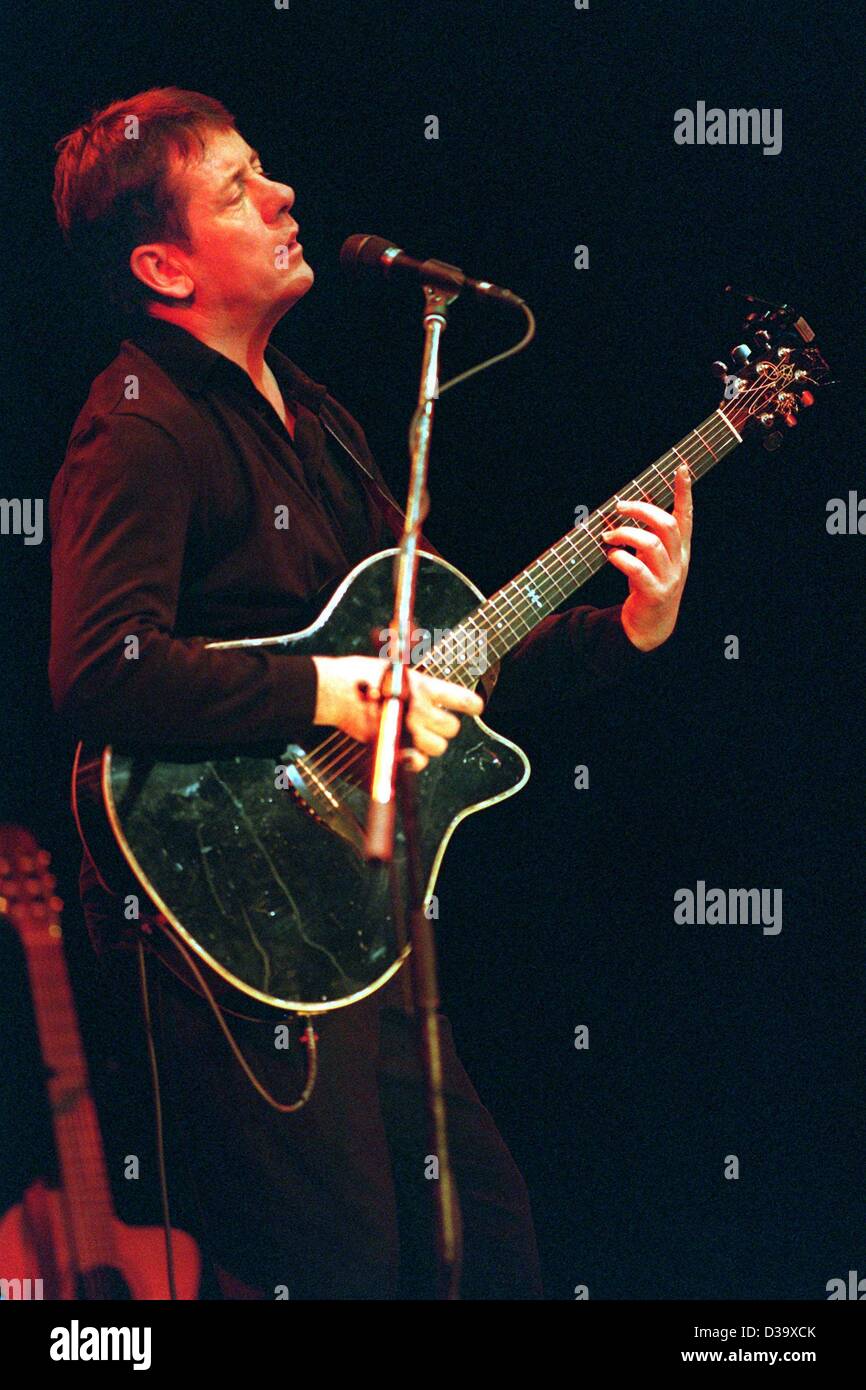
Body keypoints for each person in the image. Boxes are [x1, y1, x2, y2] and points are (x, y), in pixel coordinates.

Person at [48, 88, 692, 1299]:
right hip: (217, 932)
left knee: (487, 1248)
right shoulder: (139, 424)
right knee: (336, 1265)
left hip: (345, 917)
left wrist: (631, 628)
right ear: (161, 265)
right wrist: (323, 690)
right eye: (238, 188)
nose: (283, 195)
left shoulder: (321, 420)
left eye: (264, 170)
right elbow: (97, 665)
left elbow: (444, 666)